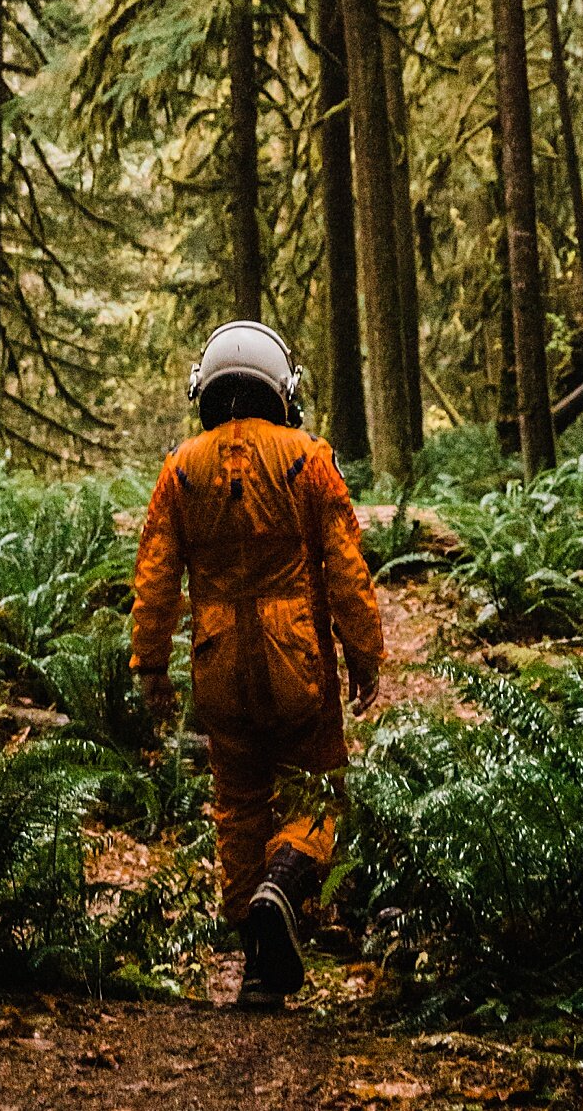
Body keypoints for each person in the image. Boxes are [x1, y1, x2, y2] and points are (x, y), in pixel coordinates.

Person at [130, 320, 385, 1009]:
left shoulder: (181, 468)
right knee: (318, 794)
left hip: (218, 665)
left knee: (238, 809)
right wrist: (366, 654)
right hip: (297, 656)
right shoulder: (309, 457)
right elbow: (347, 568)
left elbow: (154, 574)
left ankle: (259, 970)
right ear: (280, 385)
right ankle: (283, 882)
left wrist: (151, 664)